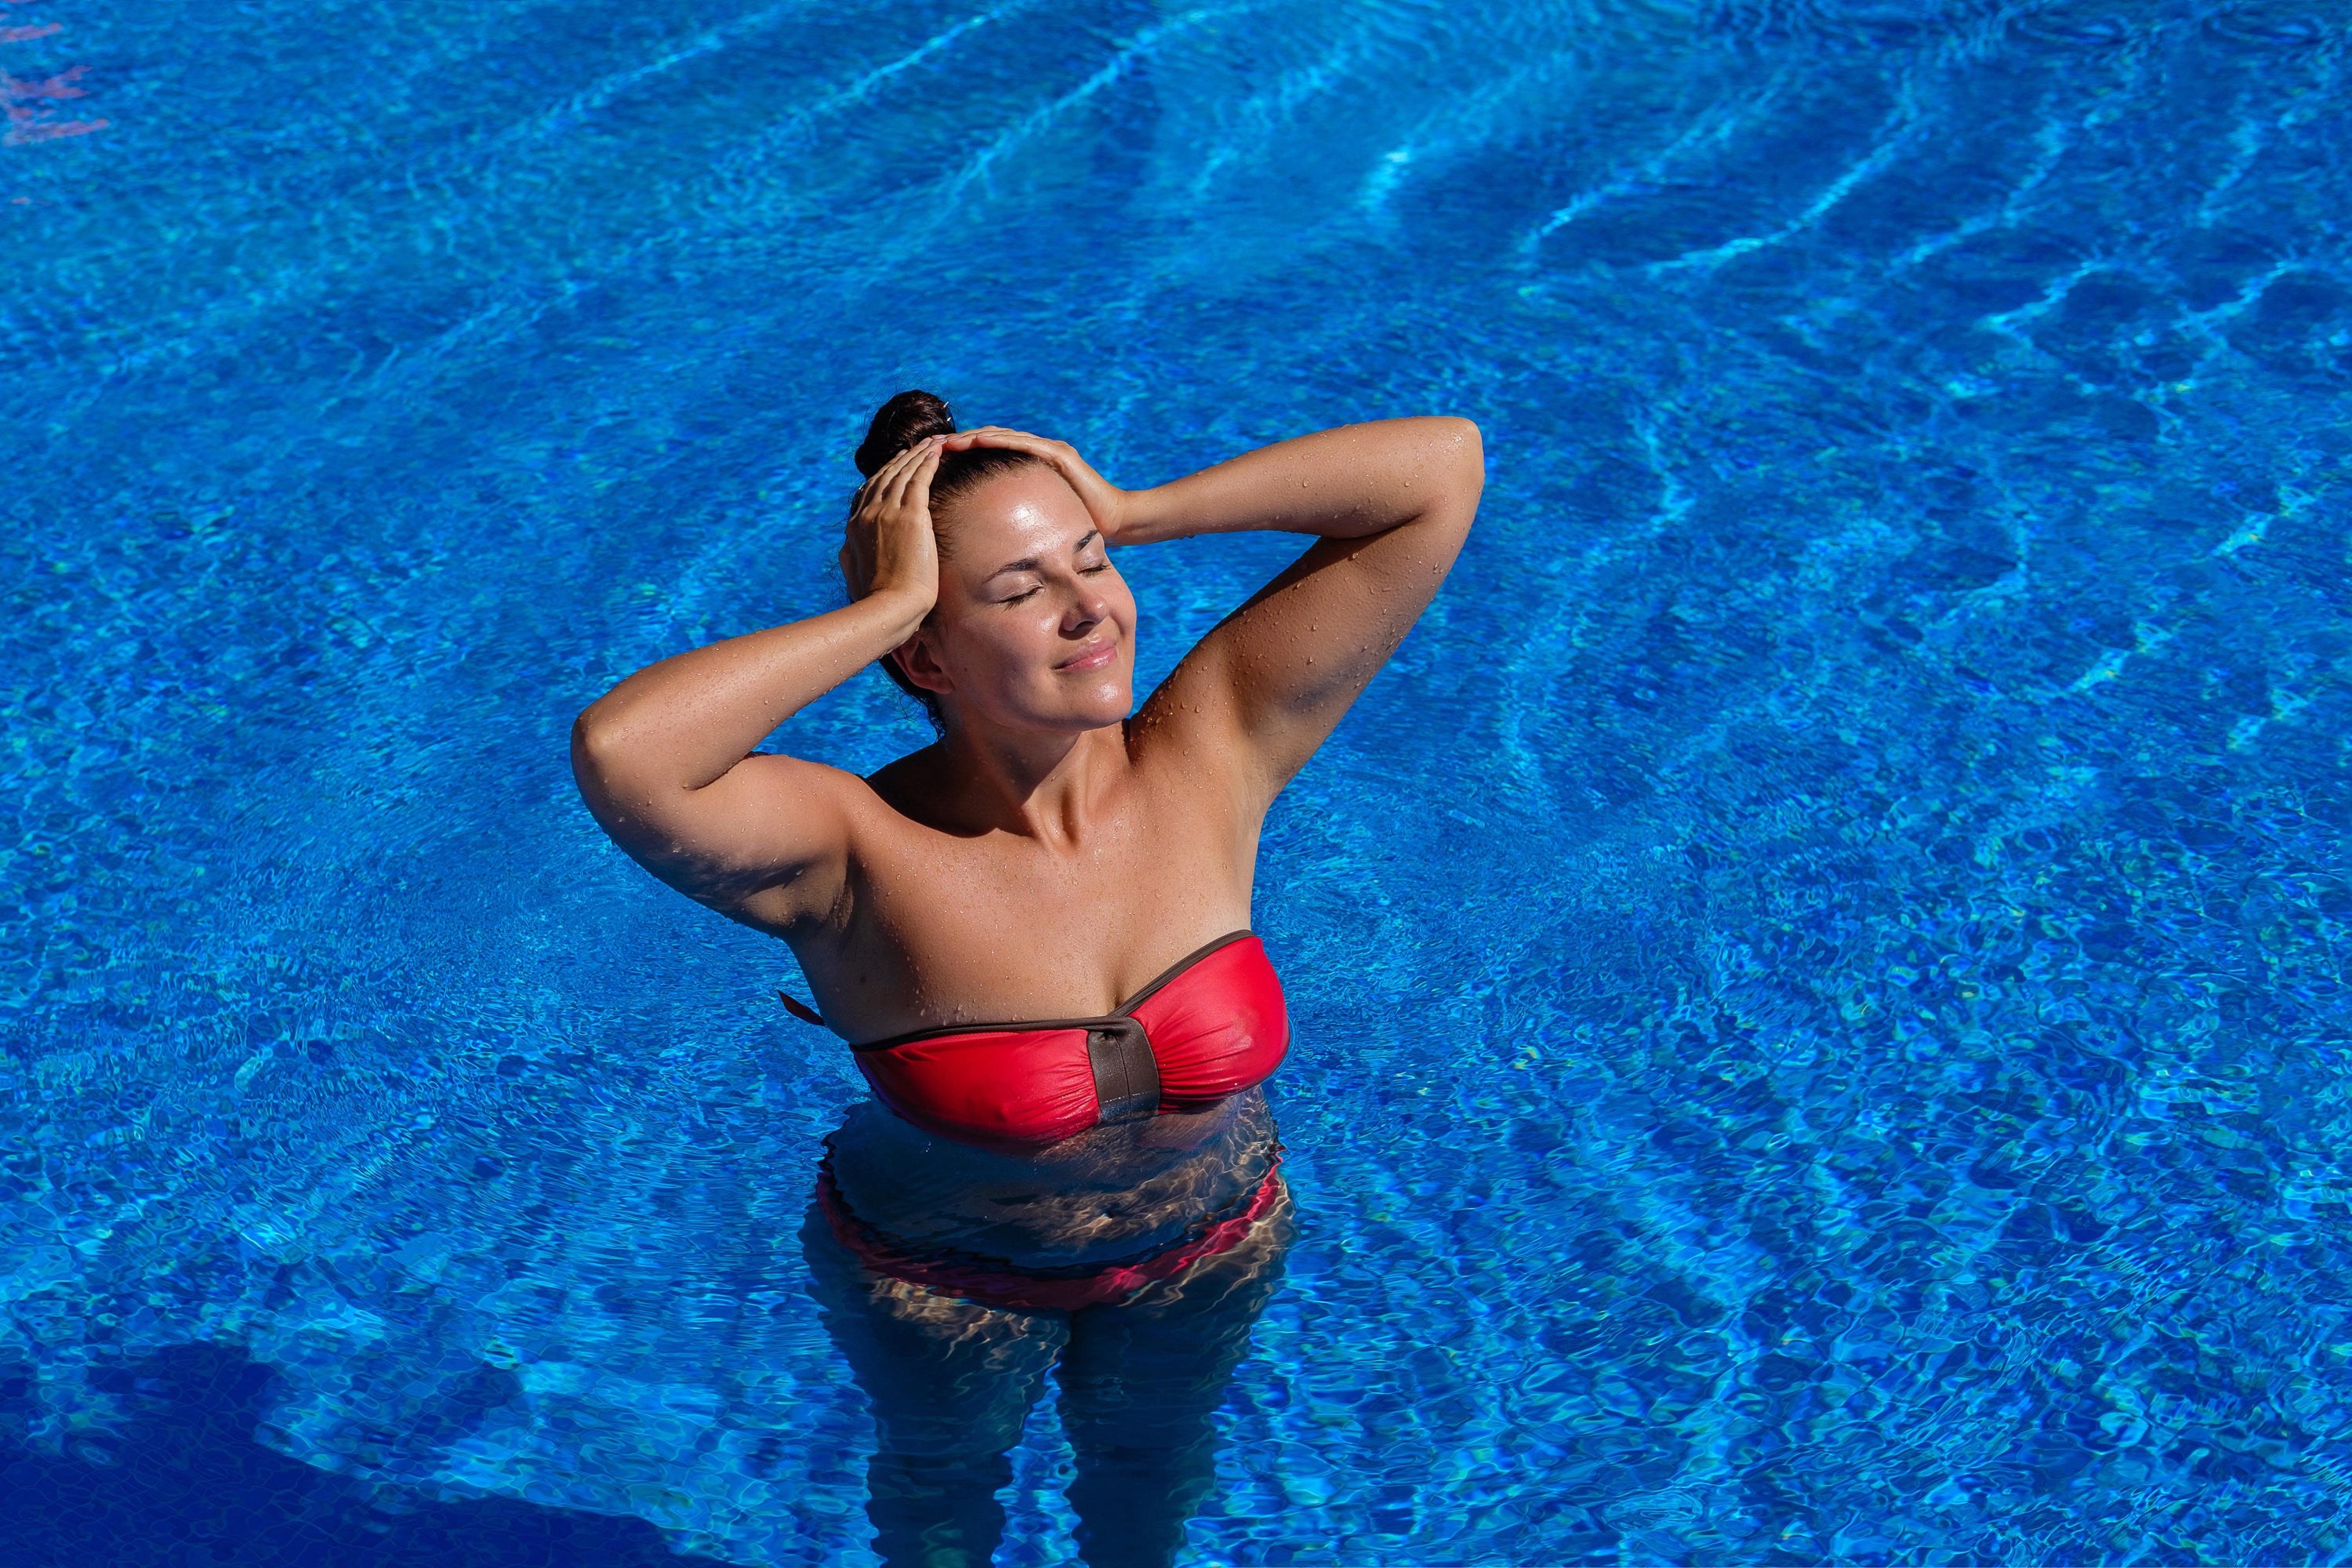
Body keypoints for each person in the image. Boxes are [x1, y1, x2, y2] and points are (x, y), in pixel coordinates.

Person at [569, 391, 1482, 1566]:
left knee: (1150, 1487)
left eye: (1090, 562)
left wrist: (1140, 507)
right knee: (946, 1494)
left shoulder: (1214, 752)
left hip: (1213, 1240)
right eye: (1020, 591)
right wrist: (890, 601)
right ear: (927, 655)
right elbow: (623, 754)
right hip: (948, 1281)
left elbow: (1439, 467)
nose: (1086, 608)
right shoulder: (851, 853)